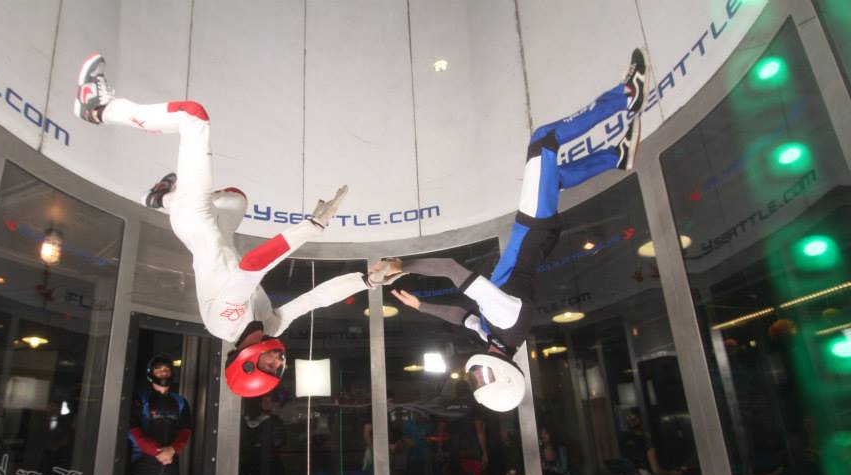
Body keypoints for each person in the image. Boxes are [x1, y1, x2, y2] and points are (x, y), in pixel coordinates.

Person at [74, 54, 391, 398]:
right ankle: (162, 198)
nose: (279, 362)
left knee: (193, 117)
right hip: (219, 231)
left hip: (194, 221)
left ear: (247, 363)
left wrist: (312, 227)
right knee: (237, 199)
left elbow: (251, 267)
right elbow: (315, 300)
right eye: (279, 369)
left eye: (270, 367)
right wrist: (366, 281)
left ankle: (98, 108)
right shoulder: (271, 326)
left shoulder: (224, 323)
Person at [375, 49, 649, 412]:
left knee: (555, 178)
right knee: (544, 140)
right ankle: (627, 95)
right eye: (482, 379)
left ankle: (617, 156)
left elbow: (461, 318)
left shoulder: (498, 337)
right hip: (533, 228)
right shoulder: (505, 322)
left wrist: (421, 305)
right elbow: (452, 269)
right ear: (502, 373)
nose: (474, 375)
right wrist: (402, 265)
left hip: (536, 235)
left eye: (475, 382)